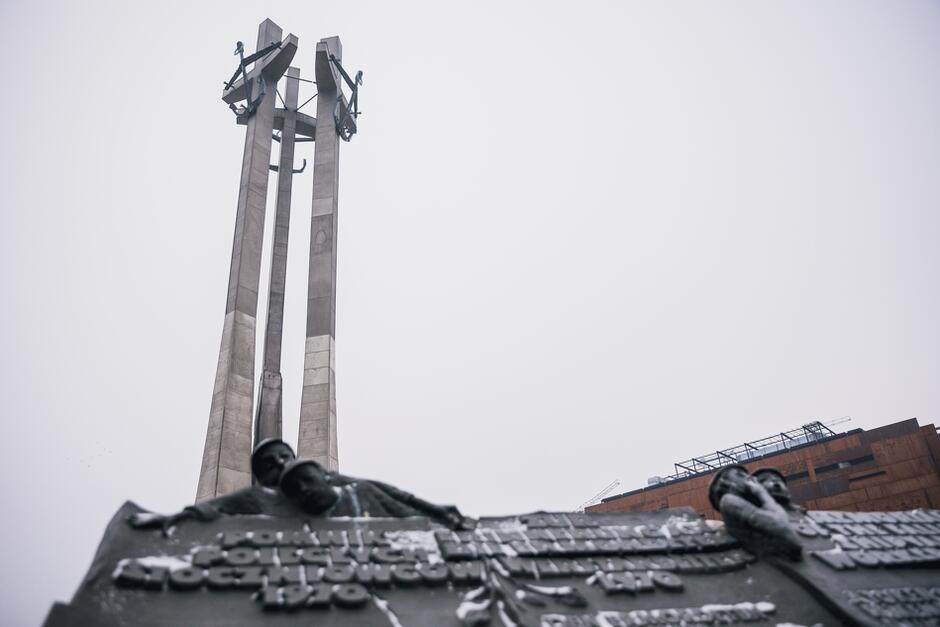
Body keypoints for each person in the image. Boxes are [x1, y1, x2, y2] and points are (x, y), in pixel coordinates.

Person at [128, 438, 298, 534]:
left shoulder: (321, 491)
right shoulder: (257, 498)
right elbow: (210, 508)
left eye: (285, 456)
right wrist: (169, 519)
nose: (281, 463)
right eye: (270, 465)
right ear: (262, 477)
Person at [279, 459, 474, 530]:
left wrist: (437, 514)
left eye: (308, 479)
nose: (304, 489)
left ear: (325, 476)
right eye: (295, 489)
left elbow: (406, 510)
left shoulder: (360, 491)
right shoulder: (295, 519)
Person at [708, 464, 803, 560]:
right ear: (727, 483)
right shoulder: (729, 500)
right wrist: (761, 492)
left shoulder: (750, 505)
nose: (750, 477)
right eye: (740, 475)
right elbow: (783, 526)